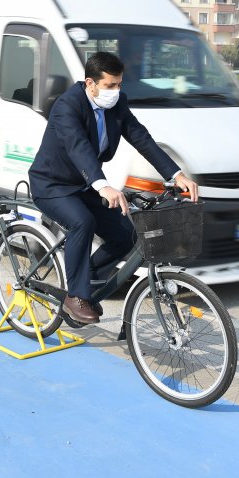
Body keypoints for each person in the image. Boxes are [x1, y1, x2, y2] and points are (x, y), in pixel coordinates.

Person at [28, 51, 199, 325]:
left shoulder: (117, 103)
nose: (116, 91)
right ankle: (76, 297)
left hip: (84, 185)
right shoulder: (67, 105)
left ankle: (86, 279)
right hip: (52, 184)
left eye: (119, 84)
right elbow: (78, 147)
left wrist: (176, 174)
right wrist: (103, 185)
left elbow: (141, 138)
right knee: (82, 222)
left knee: (126, 235)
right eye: (110, 85)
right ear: (90, 83)